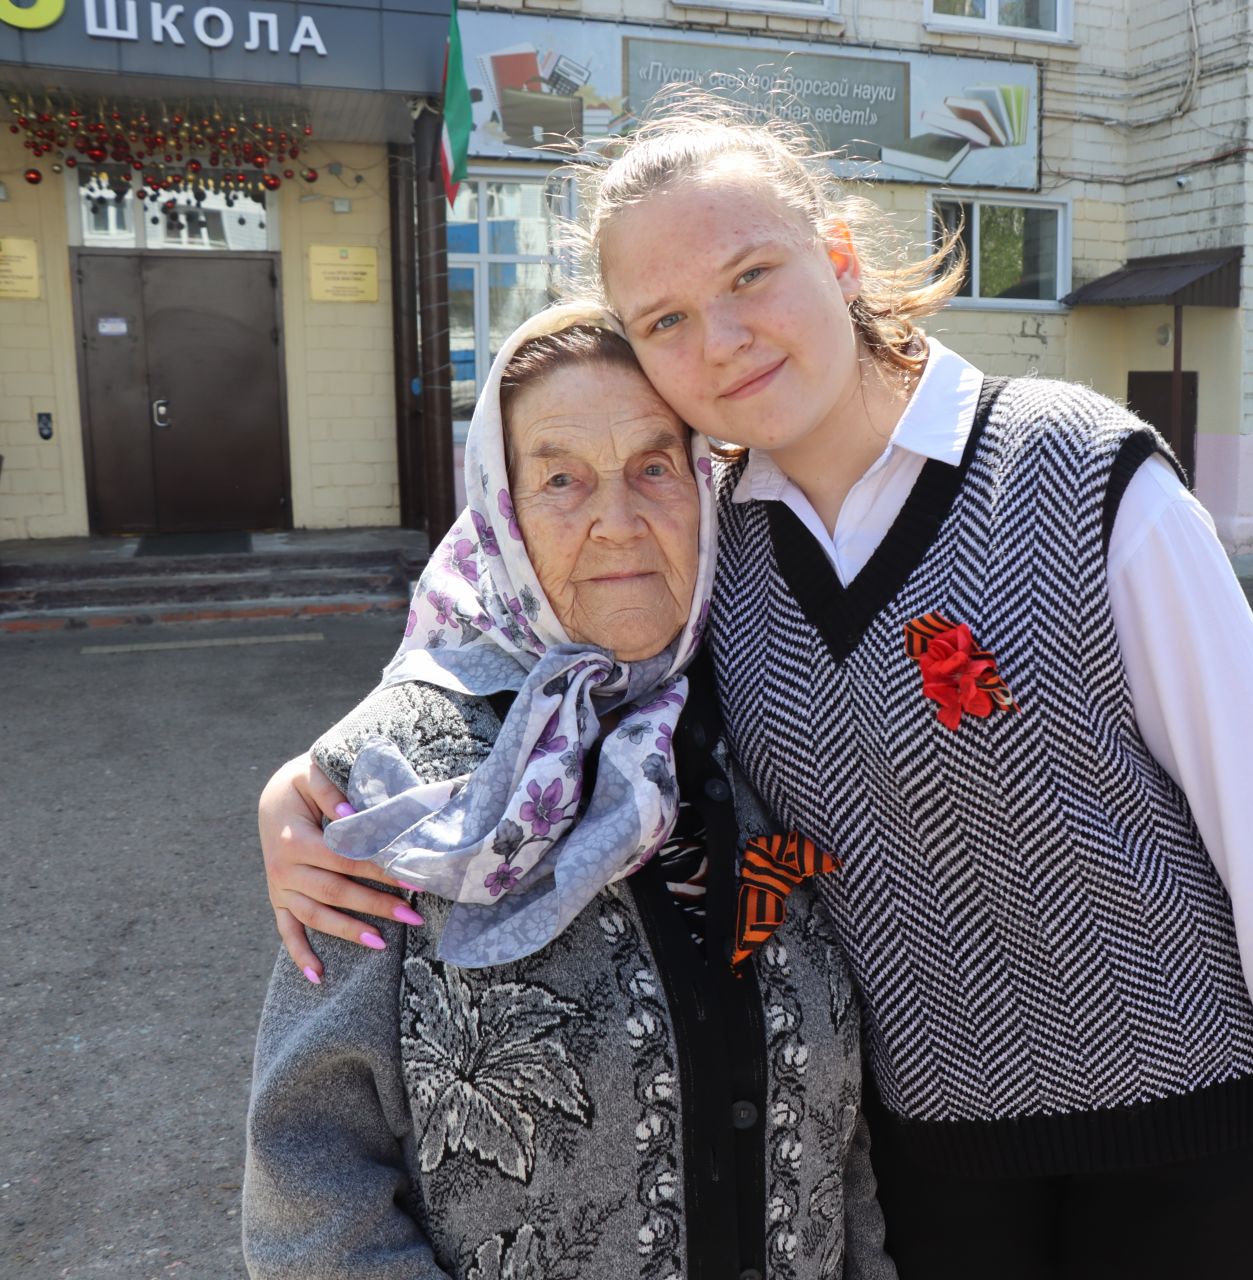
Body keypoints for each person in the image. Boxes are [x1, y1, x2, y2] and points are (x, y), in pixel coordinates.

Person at [259, 92, 1253, 1280]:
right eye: (668, 317)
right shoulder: (711, 559)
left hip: (1188, 1138)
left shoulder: (1076, 472)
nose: (724, 337)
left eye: (753, 274)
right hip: (935, 1170)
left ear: (839, 256)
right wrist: (309, 783)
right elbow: (499, 636)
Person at [243, 305, 894, 1280]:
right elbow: (311, 1176)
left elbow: (848, 1135)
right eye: (560, 478)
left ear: (705, 489)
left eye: (654, 466)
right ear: (501, 512)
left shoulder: (768, 720)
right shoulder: (401, 768)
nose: (617, 520)